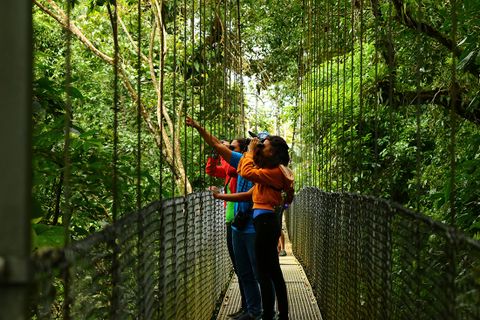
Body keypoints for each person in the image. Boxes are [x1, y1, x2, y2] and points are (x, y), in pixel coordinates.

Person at [186, 117, 262, 320]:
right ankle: (251, 310)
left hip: (253, 224)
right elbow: (213, 165)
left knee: (257, 271)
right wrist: (202, 131)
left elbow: (246, 189)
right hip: (237, 223)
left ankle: (262, 310)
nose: (230, 149)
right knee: (243, 270)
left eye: (235, 147)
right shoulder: (240, 163)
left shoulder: (257, 168)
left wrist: (221, 195)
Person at [237, 136, 294, 320]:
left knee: (263, 272)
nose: (262, 147)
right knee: (274, 271)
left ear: (275, 152)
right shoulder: (278, 171)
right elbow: (242, 168)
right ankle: (281, 315)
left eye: (266, 146)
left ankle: (268, 315)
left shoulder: (274, 172)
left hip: (265, 223)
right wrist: (252, 153)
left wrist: (251, 151)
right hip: (268, 222)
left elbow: (245, 172)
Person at [205, 140, 248, 318]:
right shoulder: (231, 169)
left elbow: (230, 168)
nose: (229, 150)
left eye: (232, 148)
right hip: (231, 220)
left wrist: (221, 150)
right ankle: (246, 306)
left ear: (242, 152)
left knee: (243, 268)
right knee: (239, 268)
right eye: (228, 148)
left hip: (239, 222)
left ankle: (250, 307)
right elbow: (211, 171)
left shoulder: (241, 168)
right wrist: (216, 153)